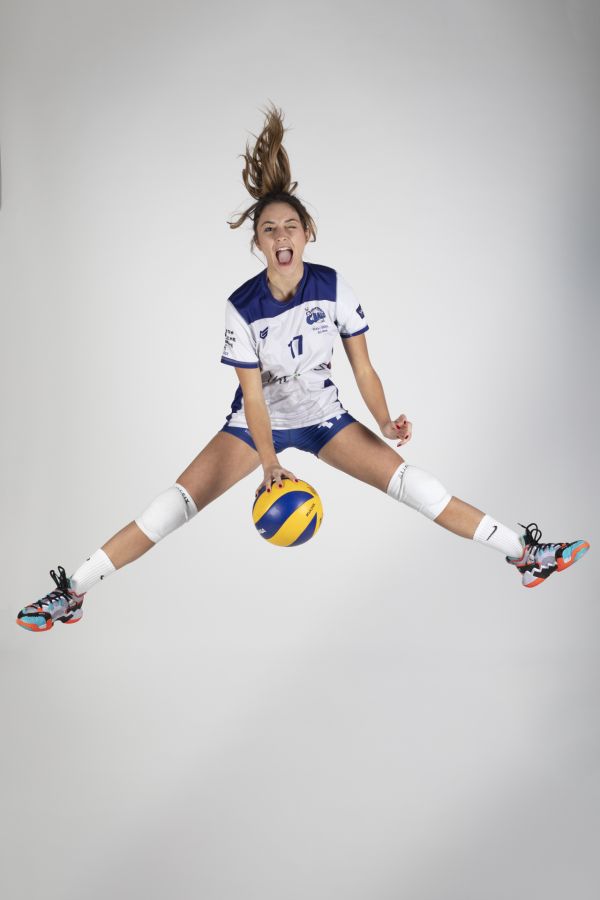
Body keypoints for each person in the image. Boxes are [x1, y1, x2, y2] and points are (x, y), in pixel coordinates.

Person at [16, 105, 589, 632]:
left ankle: (524, 553)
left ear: (307, 233)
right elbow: (255, 398)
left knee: (415, 485)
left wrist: (385, 421)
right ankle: (74, 591)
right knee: (172, 507)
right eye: (269, 230)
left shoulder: (333, 287)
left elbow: (363, 368)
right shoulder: (242, 308)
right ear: (259, 244)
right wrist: (269, 467)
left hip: (323, 418)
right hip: (256, 426)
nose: (281, 235)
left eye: (291, 226)